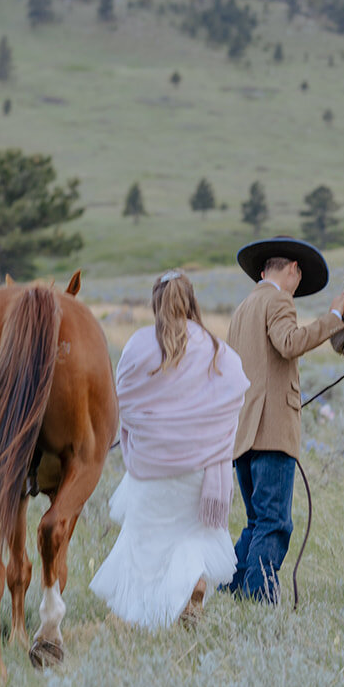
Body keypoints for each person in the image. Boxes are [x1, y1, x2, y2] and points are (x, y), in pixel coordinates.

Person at [90, 269, 250, 629]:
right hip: (201, 472)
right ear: (192, 301)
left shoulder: (139, 345)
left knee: (148, 545)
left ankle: (146, 618)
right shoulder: (215, 350)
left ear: (155, 303)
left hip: (152, 470)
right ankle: (192, 585)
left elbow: (123, 404)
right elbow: (235, 397)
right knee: (192, 536)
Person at [225, 235, 340, 602]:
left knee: (257, 522)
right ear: (292, 270)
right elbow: (289, 343)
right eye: (298, 277)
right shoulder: (278, 299)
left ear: (261, 271)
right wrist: (333, 319)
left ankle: (230, 591)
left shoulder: (243, 308)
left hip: (243, 435)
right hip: (272, 433)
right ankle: (259, 603)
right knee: (273, 523)